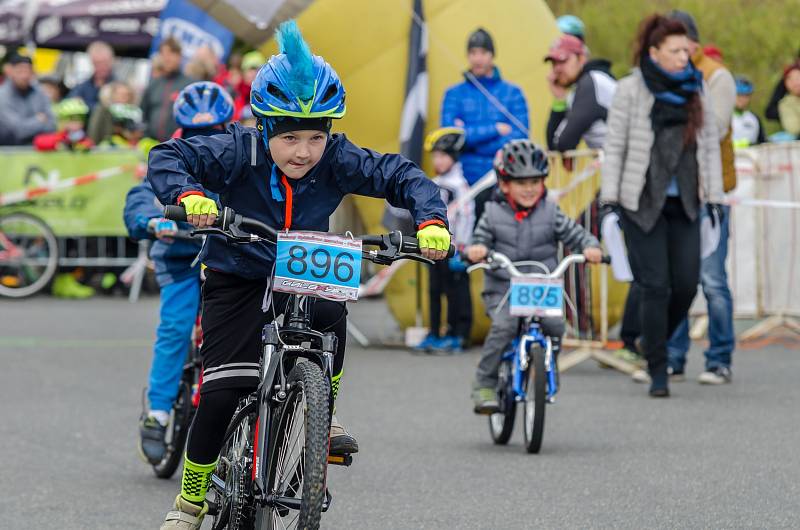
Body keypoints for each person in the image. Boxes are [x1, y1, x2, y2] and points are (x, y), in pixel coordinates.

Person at [148, 21, 450, 528]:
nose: (304, 151)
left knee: (332, 305)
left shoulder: (336, 159)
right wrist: (190, 197)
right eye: (289, 137)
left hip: (302, 268)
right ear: (264, 127)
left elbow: (400, 175)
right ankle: (190, 501)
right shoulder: (235, 151)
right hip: (236, 271)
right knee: (222, 391)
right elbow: (168, 156)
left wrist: (432, 220)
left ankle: (321, 411)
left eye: (315, 136)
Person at [600, 14, 724, 397]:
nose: (684, 57)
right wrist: (610, 200)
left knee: (686, 284)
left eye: (686, 50)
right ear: (654, 53)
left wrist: (715, 197)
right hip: (642, 201)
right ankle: (657, 366)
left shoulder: (695, 88)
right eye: (675, 51)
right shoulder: (631, 90)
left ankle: (650, 341)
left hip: (685, 200)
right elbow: (615, 146)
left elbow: (707, 147)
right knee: (655, 285)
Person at [127, 81, 234, 465]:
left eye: (213, 133)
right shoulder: (170, 154)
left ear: (227, 125)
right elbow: (141, 197)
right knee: (174, 328)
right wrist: (151, 221)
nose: (204, 142)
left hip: (226, 260)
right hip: (180, 259)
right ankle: (157, 413)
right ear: (181, 131)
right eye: (195, 135)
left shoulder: (240, 151)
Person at [466, 140, 602, 413]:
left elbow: (575, 234)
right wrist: (478, 249)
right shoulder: (492, 214)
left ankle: (548, 366)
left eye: (535, 182)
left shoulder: (551, 212)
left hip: (542, 286)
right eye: (521, 182)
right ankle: (485, 382)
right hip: (504, 287)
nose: (529, 188)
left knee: (556, 327)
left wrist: (590, 247)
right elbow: (479, 239)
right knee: (503, 328)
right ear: (504, 184)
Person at [665, 10, 737, 385]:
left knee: (712, 279)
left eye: (680, 44)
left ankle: (719, 357)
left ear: (692, 43)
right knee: (679, 279)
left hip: (708, 192)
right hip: (676, 196)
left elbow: (716, 127)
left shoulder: (715, 77)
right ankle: (674, 356)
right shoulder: (661, 79)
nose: (675, 52)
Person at [440, 28, 529, 187]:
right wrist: (495, 129)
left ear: (492, 55)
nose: (477, 58)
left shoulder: (513, 93)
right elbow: (450, 137)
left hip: (503, 179)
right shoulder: (453, 94)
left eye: (483, 52)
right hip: (463, 182)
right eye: (473, 53)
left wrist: (470, 140)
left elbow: (520, 136)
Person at [415, 127, 475, 353]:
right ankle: (434, 332)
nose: (437, 161)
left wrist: (463, 245)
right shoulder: (433, 183)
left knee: (456, 290)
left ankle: (458, 333)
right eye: (435, 156)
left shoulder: (461, 186)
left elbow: (467, 216)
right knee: (434, 289)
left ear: (454, 156)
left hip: (455, 248)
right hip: (434, 247)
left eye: (442, 156)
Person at [545, 34, 616, 152]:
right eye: (554, 63)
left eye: (563, 60)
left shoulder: (591, 83)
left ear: (582, 58)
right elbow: (554, 143)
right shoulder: (583, 85)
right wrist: (559, 100)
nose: (557, 69)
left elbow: (564, 143)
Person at [141, 37, 194, 141]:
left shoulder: (189, 86)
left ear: (179, 56)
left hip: (179, 146)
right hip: (151, 146)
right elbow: (143, 115)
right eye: (163, 54)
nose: (167, 58)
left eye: (171, 54)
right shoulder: (153, 84)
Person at [0, 53, 56, 145]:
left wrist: (27, 124)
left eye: (28, 71)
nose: (24, 76)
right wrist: (39, 120)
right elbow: (18, 131)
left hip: (37, 148)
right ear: (11, 71)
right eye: (20, 71)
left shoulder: (39, 92)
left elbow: (52, 125)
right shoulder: (2, 95)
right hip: (8, 150)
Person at [67, 41, 115, 111]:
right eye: (97, 63)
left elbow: (112, 110)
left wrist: (84, 104)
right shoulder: (81, 86)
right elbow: (69, 102)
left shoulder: (119, 86)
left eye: (104, 63)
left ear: (111, 61)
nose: (101, 67)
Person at [731, 76, 765, 147]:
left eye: (746, 95)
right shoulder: (724, 117)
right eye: (739, 94)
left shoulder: (754, 118)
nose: (742, 99)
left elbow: (762, 142)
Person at [778, 61, 800, 138]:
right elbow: (793, 129)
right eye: (791, 79)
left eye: (798, 78)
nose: (796, 82)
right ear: (786, 83)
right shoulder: (786, 104)